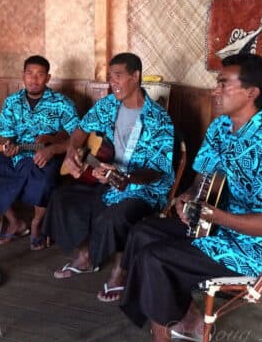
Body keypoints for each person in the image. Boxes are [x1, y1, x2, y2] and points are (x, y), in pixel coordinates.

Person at [119, 53, 262, 342]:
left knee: (155, 257)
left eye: (224, 84)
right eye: (217, 83)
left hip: (254, 247)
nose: (215, 90)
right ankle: (188, 320)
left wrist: (216, 217)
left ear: (251, 92)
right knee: (143, 232)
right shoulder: (220, 128)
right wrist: (188, 198)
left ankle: (160, 339)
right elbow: (203, 178)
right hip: (216, 225)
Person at [42, 52, 175, 302]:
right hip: (110, 181)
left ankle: (119, 271)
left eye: (118, 76)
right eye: (110, 77)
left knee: (116, 216)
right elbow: (81, 130)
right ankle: (85, 255)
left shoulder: (159, 120)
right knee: (63, 197)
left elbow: (158, 169)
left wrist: (126, 177)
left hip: (144, 187)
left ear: (135, 77)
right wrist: (72, 152)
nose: (112, 83)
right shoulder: (108, 105)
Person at [0, 55, 79, 250]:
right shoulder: (12, 102)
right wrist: (9, 146)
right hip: (19, 154)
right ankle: (15, 222)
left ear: (48, 78)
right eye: (29, 74)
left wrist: (53, 148)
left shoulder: (62, 103)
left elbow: (78, 138)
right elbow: (8, 136)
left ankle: (36, 223)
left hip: (49, 155)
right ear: (23, 75)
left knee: (44, 180)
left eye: (39, 75)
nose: (34, 79)